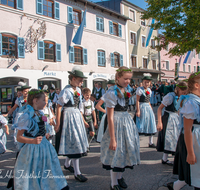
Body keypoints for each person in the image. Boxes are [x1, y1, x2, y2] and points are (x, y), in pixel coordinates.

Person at [13, 89, 69, 190]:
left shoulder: (40, 114)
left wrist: (45, 134)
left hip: (44, 146)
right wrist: (33, 141)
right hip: (32, 149)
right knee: (35, 171)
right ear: (35, 100)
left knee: (48, 169)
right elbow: (19, 137)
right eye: (43, 100)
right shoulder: (26, 116)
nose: (45, 102)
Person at [101, 66, 140, 190]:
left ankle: (120, 177)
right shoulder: (111, 93)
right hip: (116, 123)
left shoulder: (127, 89)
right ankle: (113, 183)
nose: (128, 81)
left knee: (125, 151)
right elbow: (110, 117)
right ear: (118, 78)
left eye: (129, 79)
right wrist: (112, 138)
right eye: (125, 79)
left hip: (126, 122)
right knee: (115, 152)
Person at [167, 73, 200, 190]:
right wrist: (190, 153)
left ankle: (176, 185)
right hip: (194, 140)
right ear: (197, 85)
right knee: (196, 172)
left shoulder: (196, 100)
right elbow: (187, 129)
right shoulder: (191, 103)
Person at [55, 67, 89, 182]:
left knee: (75, 141)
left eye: (82, 80)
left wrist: (83, 120)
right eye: (80, 80)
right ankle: (77, 172)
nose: (81, 82)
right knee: (74, 142)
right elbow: (59, 107)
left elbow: (79, 107)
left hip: (77, 117)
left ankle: (67, 164)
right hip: (69, 116)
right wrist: (58, 123)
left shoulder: (79, 91)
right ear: (73, 78)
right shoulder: (66, 90)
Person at [156, 82, 187, 166]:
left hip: (176, 118)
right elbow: (160, 108)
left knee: (175, 138)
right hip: (168, 118)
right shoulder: (170, 96)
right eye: (183, 92)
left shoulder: (181, 97)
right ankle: (164, 159)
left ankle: (166, 158)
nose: (184, 94)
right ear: (179, 89)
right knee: (169, 138)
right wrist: (159, 122)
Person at [135, 74, 157, 148]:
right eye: (145, 82)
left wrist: (151, 109)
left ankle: (150, 142)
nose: (146, 83)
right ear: (143, 82)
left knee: (150, 123)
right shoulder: (139, 90)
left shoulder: (149, 90)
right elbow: (137, 100)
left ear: (150, 83)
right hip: (142, 107)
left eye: (148, 82)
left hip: (148, 107)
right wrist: (138, 110)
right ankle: (137, 143)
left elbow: (149, 101)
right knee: (140, 124)